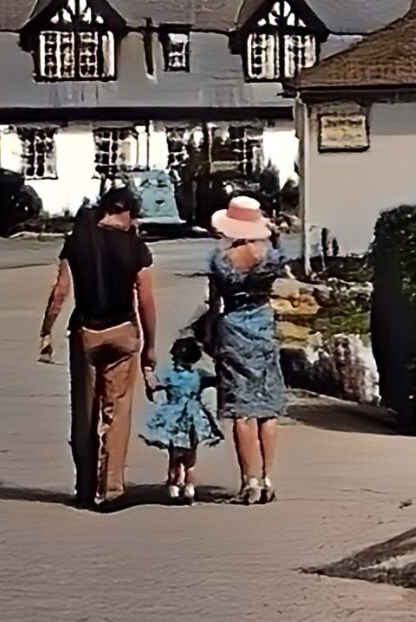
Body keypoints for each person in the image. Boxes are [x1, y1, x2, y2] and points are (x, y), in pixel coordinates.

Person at [38, 186, 159, 511]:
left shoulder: (77, 241)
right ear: (129, 212)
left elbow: (60, 291)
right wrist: (150, 347)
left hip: (86, 331)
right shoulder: (135, 247)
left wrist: (46, 331)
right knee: (117, 412)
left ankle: (85, 486)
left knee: (85, 412)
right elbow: (145, 300)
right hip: (123, 332)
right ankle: (111, 488)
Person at [204, 194, 290, 506]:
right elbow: (282, 254)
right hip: (263, 326)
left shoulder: (220, 259)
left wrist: (210, 334)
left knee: (241, 409)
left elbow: (214, 302)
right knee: (267, 408)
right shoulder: (270, 257)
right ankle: (267, 476)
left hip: (234, 327)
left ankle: (249, 480)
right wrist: (273, 232)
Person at [137, 334, 223, 504]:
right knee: (191, 454)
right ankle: (189, 485)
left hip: (173, 416)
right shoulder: (199, 375)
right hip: (193, 416)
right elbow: (216, 381)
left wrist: (147, 371)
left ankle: (174, 484)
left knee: (174, 454)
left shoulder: (168, 374)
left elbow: (153, 384)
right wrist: (218, 361)